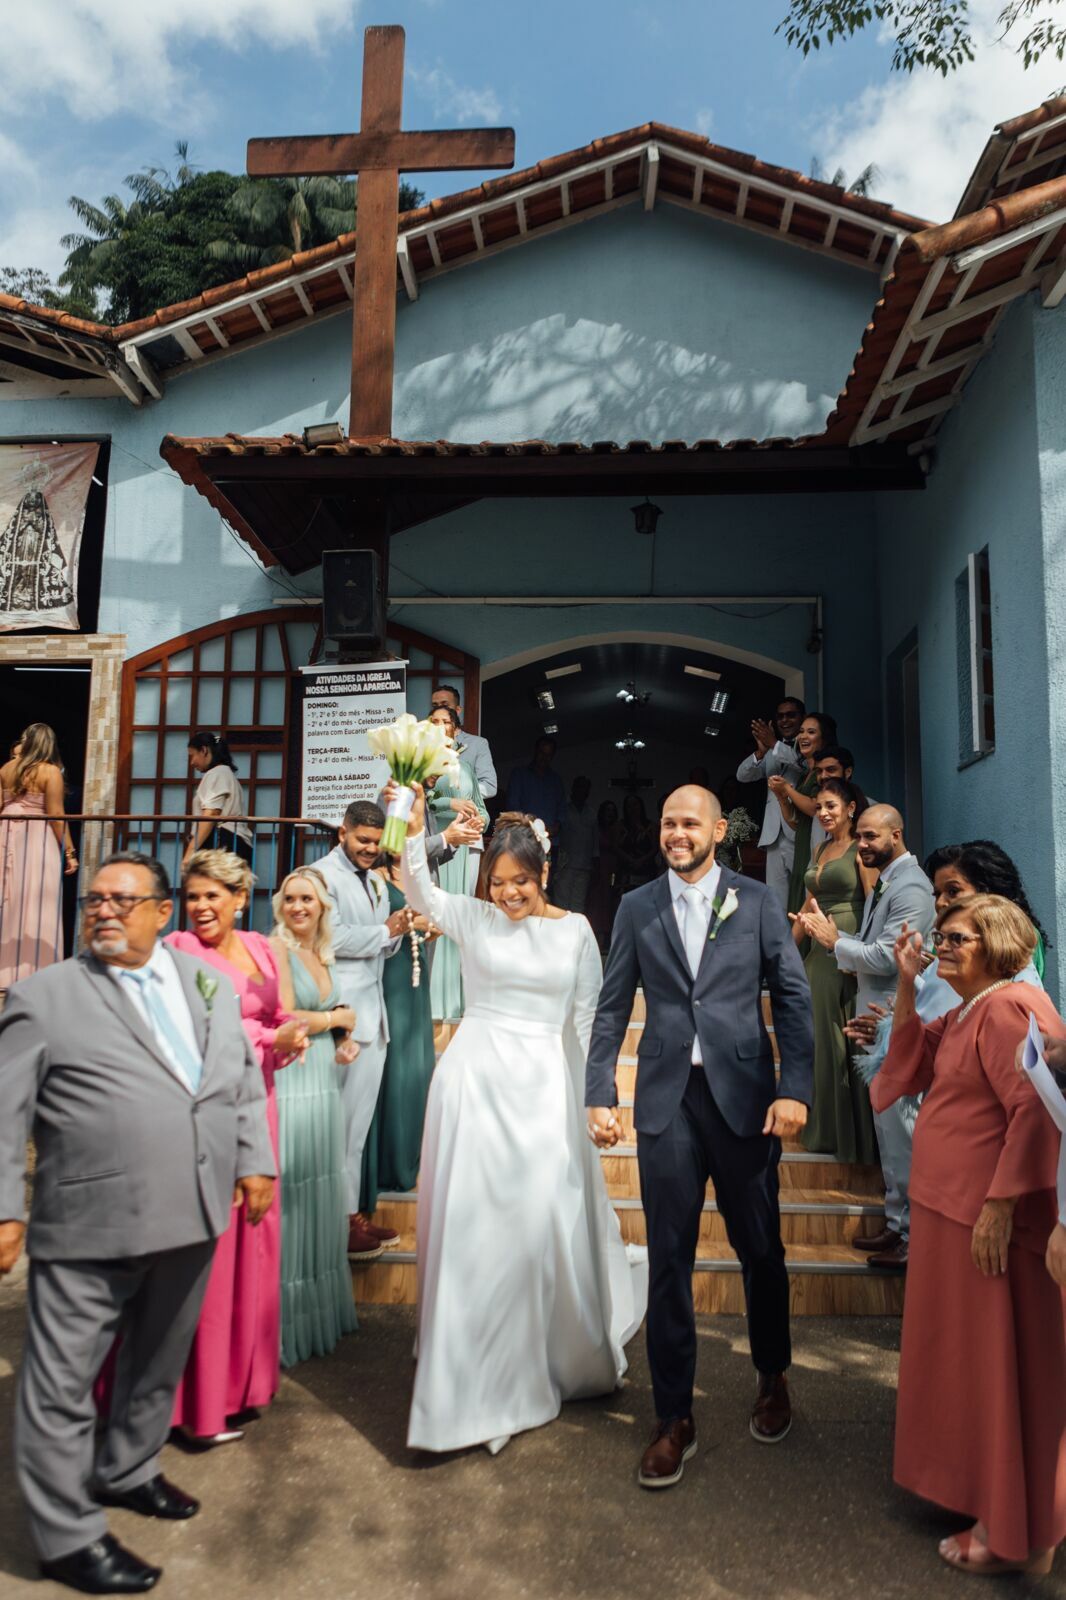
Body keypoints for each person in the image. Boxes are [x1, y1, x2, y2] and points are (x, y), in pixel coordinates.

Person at [0, 851, 275, 1595]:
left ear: (161, 912)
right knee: (59, 1383)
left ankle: (127, 1468)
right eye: (94, 900)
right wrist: (3, 1210)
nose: (105, 911)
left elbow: (240, 1082)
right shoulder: (42, 996)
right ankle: (66, 1536)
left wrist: (254, 1160)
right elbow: (3, 1112)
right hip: (90, 1218)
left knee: (157, 1359)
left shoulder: (208, 986)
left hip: (193, 1210)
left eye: (125, 900)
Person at [398, 787, 647, 1454]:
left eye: (520, 882)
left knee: (534, 1225)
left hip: (541, 1092)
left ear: (543, 875)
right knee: (473, 1226)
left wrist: (600, 1100)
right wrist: (415, 828)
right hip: (474, 1084)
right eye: (498, 883)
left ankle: (535, 1356)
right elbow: (418, 889)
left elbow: (593, 1023)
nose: (508, 894)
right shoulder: (474, 919)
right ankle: (465, 1380)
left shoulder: (575, 932)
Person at [586, 785, 814, 1488]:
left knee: (760, 1249)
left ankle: (773, 1376)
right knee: (669, 1262)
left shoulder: (756, 899)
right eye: (667, 822)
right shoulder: (635, 906)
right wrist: (600, 1090)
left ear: (719, 829)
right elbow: (613, 1001)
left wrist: (795, 1088)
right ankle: (672, 1417)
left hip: (745, 1099)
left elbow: (794, 993)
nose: (676, 833)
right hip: (666, 1102)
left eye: (689, 822)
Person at [872, 898, 1066, 1576]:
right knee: (964, 1369)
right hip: (948, 1214)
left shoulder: (1010, 1008)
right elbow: (910, 1064)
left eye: (957, 938)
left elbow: (1037, 1114)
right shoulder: (969, 1007)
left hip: (986, 1223)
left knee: (998, 1375)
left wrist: (1001, 1204)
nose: (942, 947)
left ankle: (1010, 1530)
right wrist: (904, 981)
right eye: (941, 936)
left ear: (997, 943)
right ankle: (980, 1495)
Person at [167, 850, 308, 1441]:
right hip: (204, 1114)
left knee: (256, 1240)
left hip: (262, 1106)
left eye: (211, 896)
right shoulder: (175, 951)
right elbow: (180, 1033)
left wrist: (290, 1038)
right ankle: (195, 1405)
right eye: (192, 896)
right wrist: (265, 1035)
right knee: (209, 1251)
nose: (200, 907)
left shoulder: (259, 945)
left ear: (238, 898)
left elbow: (282, 1014)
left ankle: (243, 1386)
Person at [801, 805, 935, 1271]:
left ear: (897, 834)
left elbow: (890, 956)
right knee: (888, 1130)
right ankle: (898, 1223)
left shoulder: (913, 886)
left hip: (896, 1017)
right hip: (877, 1018)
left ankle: (914, 1235)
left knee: (902, 1129)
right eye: (859, 837)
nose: (863, 845)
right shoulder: (888, 880)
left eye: (872, 836)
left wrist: (832, 940)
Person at [270, 868, 359, 1368]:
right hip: (292, 1083)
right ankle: (282, 1320)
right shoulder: (278, 950)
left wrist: (341, 1041)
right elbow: (284, 1017)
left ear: (323, 906)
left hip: (324, 1079)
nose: (298, 907)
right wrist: (336, 1020)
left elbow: (328, 1017)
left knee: (319, 1188)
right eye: (290, 899)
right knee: (293, 1188)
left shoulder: (322, 953)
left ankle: (316, 1313)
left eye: (307, 899)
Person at [317, 801, 407, 1259]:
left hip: (375, 1016)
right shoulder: (319, 876)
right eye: (363, 841)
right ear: (343, 833)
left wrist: (397, 933)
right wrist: (383, 932)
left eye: (376, 843)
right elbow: (327, 936)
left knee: (356, 1131)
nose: (371, 850)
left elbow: (378, 950)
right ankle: (334, 1221)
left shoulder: (375, 880)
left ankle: (351, 1215)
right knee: (337, 1128)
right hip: (341, 1017)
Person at [790, 780, 879, 1163]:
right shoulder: (820, 847)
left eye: (831, 806)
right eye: (819, 807)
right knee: (818, 1041)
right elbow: (809, 903)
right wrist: (783, 951)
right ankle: (824, 1126)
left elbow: (875, 905)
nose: (824, 813)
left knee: (836, 1041)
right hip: (815, 950)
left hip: (844, 945)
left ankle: (848, 1134)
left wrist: (860, 955)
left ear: (851, 808)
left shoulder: (862, 851)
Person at [363, 853, 438, 1203]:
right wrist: (410, 923)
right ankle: (389, 1161)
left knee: (418, 1063)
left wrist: (429, 926)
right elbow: (379, 926)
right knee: (394, 1063)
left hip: (416, 967)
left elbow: (436, 922)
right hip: (391, 971)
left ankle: (412, 1153)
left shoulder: (417, 876)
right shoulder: (375, 878)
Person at [0, 723, 78, 988]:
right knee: (39, 897)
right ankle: (36, 971)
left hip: (6, 833)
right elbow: (56, 815)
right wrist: (69, 850)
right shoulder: (50, 772)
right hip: (36, 837)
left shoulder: (6, 769)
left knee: (8, 901)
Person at [426, 704, 489, 1021]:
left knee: (460, 917)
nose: (440, 726)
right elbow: (422, 802)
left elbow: (480, 806)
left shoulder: (463, 767)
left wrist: (480, 820)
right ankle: (434, 999)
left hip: (466, 847)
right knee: (439, 916)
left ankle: (455, 998)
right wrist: (450, 802)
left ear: (455, 728)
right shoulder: (423, 765)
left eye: (446, 722)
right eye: (434, 721)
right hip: (440, 843)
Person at [736, 696, 805, 905]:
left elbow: (802, 766)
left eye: (791, 715)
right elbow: (742, 775)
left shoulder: (808, 745)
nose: (784, 720)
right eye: (780, 716)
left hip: (799, 830)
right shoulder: (772, 751)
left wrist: (773, 743)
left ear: (802, 718)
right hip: (773, 833)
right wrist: (761, 751)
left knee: (802, 891)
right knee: (776, 897)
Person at [771, 712, 838, 916]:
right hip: (802, 847)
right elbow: (795, 823)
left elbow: (814, 808)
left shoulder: (825, 772)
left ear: (824, 738)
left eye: (811, 732)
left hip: (816, 848)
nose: (803, 737)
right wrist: (782, 797)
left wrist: (788, 790)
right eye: (801, 732)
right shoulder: (804, 775)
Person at [184, 730, 253, 865]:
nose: (192, 762)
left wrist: (190, 851)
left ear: (204, 750)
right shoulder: (225, 773)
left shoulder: (217, 773)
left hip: (222, 842)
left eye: (193, 755)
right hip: (233, 842)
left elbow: (211, 813)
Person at [429, 683, 497, 798]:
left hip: (465, 813)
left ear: (458, 710)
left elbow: (489, 786)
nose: (440, 709)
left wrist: (456, 794)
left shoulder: (477, 744)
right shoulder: (422, 744)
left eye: (445, 705)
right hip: (431, 813)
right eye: (435, 706)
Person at [505, 735, 567, 844]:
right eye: (542, 753)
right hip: (525, 841)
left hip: (550, 842)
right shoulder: (519, 775)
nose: (544, 758)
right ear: (535, 751)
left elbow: (562, 810)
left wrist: (557, 825)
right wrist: (532, 827)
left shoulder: (556, 781)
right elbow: (513, 807)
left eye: (549, 755)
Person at [555, 775, 598, 912]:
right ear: (573, 789)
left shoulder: (591, 813)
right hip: (565, 865)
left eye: (585, 789)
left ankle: (574, 933)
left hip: (584, 866)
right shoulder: (563, 810)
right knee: (561, 903)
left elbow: (595, 840)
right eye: (579, 787)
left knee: (578, 905)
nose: (582, 792)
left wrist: (595, 861)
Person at [587, 799, 621, 951]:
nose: (610, 814)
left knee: (609, 902)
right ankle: (594, 939)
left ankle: (606, 939)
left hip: (612, 868)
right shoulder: (595, 828)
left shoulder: (618, 829)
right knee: (596, 903)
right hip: (598, 867)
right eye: (607, 811)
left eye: (612, 811)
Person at [615, 793, 658, 893]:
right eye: (629, 805)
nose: (632, 808)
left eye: (635, 804)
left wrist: (641, 860)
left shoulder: (651, 826)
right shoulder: (620, 826)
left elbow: (655, 847)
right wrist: (631, 860)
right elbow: (616, 847)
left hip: (646, 868)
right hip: (626, 868)